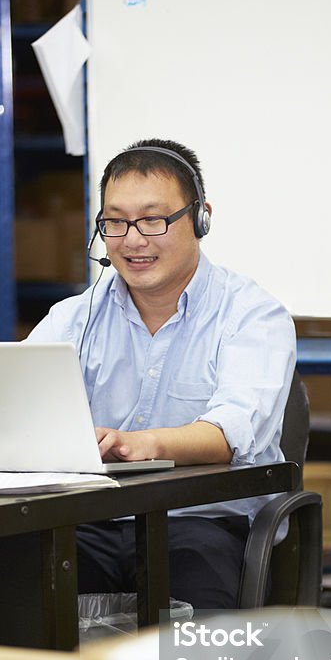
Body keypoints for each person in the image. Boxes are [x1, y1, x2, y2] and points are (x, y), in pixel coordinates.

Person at [26, 138, 296, 609]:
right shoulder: (73, 317)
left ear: (200, 217)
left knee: (194, 639)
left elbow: (230, 432)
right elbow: (16, 403)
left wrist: (142, 444)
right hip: (87, 518)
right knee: (10, 583)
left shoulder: (252, 315)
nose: (131, 240)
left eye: (153, 220)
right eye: (115, 222)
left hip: (200, 521)